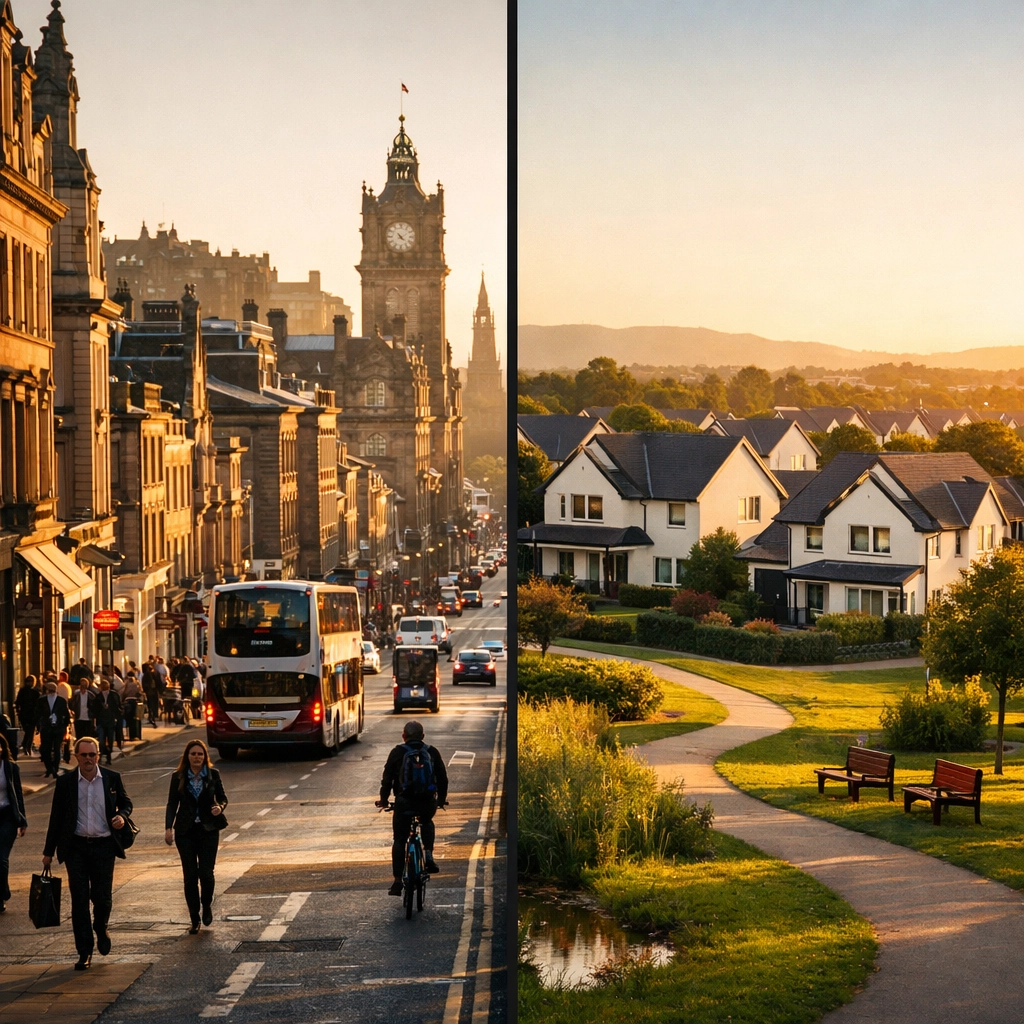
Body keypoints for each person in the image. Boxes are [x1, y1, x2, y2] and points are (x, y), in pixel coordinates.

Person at [41, 736, 133, 970]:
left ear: (98, 755)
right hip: (76, 848)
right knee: (79, 901)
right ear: (76, 757)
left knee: (102, 898)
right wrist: (48, 852)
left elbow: (126, 803)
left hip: (104, 846)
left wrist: (121, 816)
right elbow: (56, 818)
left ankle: (100, 926)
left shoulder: (112, 779)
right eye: (84, 755)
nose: (89, 759)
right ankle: (84, 952)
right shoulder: (66, 783)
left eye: (93, 755)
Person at [376, 720, 449, 895]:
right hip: (427, 802)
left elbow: (387, 780)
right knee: (427, 821)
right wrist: (441, 800)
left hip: (404, 802)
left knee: (399, 840)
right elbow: (442, 778)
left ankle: (397, 881)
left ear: (404, 736)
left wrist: (384, 800)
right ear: (422, 736)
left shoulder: (397, 752)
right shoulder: (431, 752)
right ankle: (429, 854)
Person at [164, 739, 228, 933]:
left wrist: (219, 807)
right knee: (190, 876)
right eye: (193, 754)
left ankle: (206, 904)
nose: (197, 757)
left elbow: (223, 798)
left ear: (205, 757)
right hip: (185, 832)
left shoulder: (213, 775)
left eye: (200, 754)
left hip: (208, 830)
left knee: (206, 874)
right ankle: (194, 917)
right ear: (187, 756)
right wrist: (168, 828)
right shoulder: (178, 777)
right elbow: (171, 804)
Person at [0, 732, 27, 914]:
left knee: (1, 857)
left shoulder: (10, 767)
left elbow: (18, 794)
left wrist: (22, 820)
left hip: (8, 816)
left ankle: (2, 895)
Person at [36, 682, 71, 778]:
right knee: (45, 749)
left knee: (57, 749)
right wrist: (39, 725)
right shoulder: (42, 700)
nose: (51, 692)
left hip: (58, 729)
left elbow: (66, 715)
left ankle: (55, 768)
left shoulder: (61, 701)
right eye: (49, 689)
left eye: (52, 690)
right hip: (46, 728)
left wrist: (64, 726)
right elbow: (38, 714)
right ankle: (49, 768)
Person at [93, 680, 121, 766]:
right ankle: (102, 755)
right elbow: (95, 709)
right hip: (101, 721)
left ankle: (108, 757)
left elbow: (117, 706)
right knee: (101, 740)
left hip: (110, 721)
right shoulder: (98, 697)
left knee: (110, 740)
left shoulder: (113, 695)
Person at [14, 675, 39, 757]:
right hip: (24, 714)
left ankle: (28, 747)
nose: (29, 683)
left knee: (31, 731)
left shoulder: (36, 692)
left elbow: (39, 704)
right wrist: (18, 711)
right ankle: (26, 744)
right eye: (28, 681)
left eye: (31, 681)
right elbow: (18, 702)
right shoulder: (22, 691)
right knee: (28, 730)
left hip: (33, 714)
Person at [71, 676, 97, 742]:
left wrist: (92, 715)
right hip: (78, 718)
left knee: (88, 737)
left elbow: (94, 707)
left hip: (88, 719)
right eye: (82, 685)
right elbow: (72, 704)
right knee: (79, 737)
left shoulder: (91, 695)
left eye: (84, 685)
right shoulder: (76, 695)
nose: (83, 687)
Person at [121, 673, 143, 742]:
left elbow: (124, 693)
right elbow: (140, 692)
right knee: (136, 719)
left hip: (128, 702)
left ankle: (130, 735)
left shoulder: (127, 684)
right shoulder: (137, 684)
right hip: (135, 702)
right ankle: (136, 735)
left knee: (129, 720)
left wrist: (122, 700)